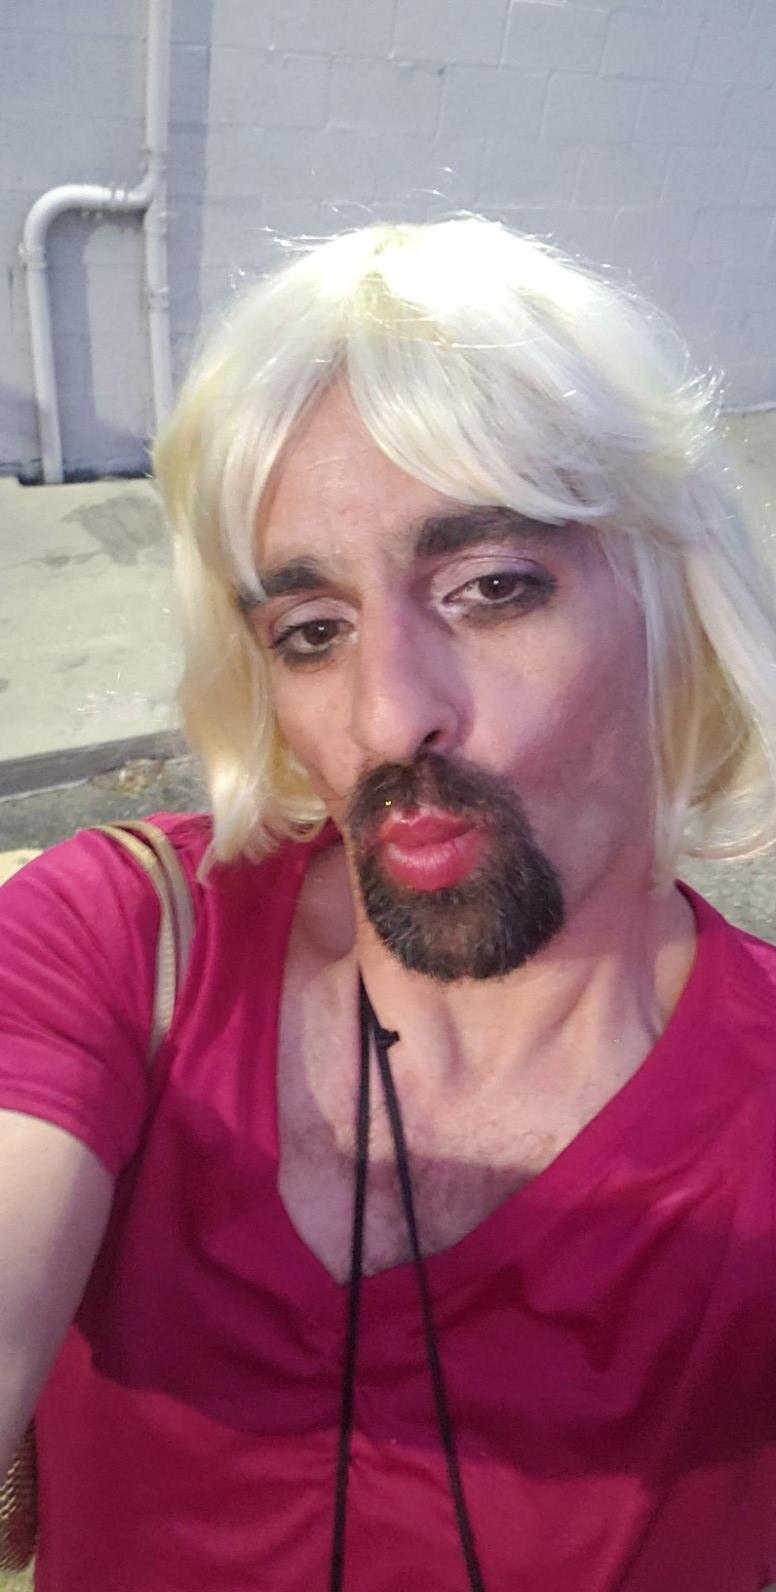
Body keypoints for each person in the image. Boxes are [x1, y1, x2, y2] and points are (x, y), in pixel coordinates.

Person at [2, 218, 776, 1592]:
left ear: (672, 604)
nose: (385, 718)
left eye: (490, 589)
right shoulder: (127, 943)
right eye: (313, 631)